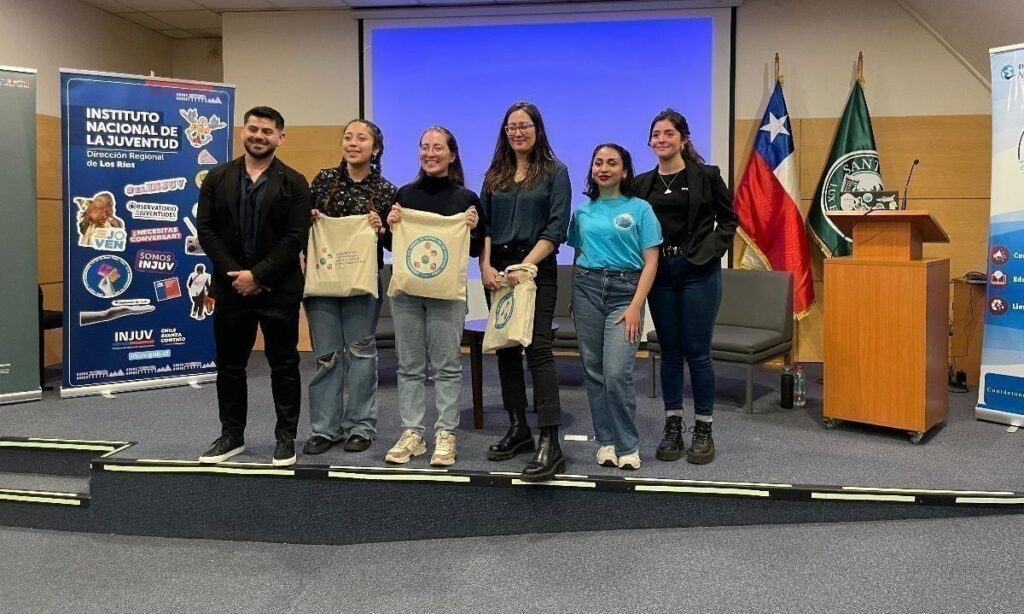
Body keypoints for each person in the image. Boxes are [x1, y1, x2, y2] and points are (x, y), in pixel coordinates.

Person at [195, 106, 312, 467]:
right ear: (243, 132)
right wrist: (238, 275)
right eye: (253, 129)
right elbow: (207, 231)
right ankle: (231, 435)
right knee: (230, 366)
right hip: (231, 290)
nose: (259, 135)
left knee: (284, 364)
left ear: (280, 137)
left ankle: (285, 437)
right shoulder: (216, 178)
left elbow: (295, 237)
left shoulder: (294, 182)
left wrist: (258, 276)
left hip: (278, 290)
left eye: (267, 131)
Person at [636, 109, 738, 465]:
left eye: (668, 133)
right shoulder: (641, 184)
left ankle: (704, 430)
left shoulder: (706, 176)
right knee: (670, 351)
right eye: (656, 134)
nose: (661, 139)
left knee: (698, 352)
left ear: (682, 138)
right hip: (660, 274)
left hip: (698, 271)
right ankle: (673, 426)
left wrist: (711, 250)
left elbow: (729, 219)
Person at [479, 101, 571, 481]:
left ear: (537, 129)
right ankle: (518, 428)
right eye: (512, 126)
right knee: (505, 347)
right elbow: (482, 226)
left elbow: (556, 227)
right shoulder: (494, 175)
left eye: (525, 125)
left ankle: (550, 440)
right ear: (505, 132)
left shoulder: (555, 171)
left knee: (538, 349)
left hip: (536, 269)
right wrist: (484, 265)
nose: (518, 132)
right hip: (498, 271)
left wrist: (526, 265)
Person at [384, 126, 482, 467]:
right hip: (407, 293)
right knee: (409, 366)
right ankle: (413, 433)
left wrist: (473, 224)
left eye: (437, 147)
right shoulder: (404, 195)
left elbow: (474, 248)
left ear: (452, 154)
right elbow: (390, 245)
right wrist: (391, 222)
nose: (430, 153)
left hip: (447, 296)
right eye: (424, 147)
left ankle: (445, 434)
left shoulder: (466, 199)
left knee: (446, 367)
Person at [303, 119, 397, 456]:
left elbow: (395, 244)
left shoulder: (386, 191)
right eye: (348, 137)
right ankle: (325, 429)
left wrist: (382, 229)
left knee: (360, 354)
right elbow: (301, 228)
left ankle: (361, 426)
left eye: (361, 138)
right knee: (327, 357)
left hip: (363, 285)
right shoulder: (323, 181)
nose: (352, 143)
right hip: (322, 284)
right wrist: (310, 217)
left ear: (375, 148)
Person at [568, 144, 661, 470]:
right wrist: (574, 297)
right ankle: (605, 441)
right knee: (593, 372)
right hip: (587, 291)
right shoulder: (582, 211)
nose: (603, 168)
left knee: (615, 373)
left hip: (626, 293)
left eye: (612, 163)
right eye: (598, 162)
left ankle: (627, 444)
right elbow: (579, 255)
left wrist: (637, 305)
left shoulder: (640, 209)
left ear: (624, 171)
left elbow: (651, 262)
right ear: (592, 170)